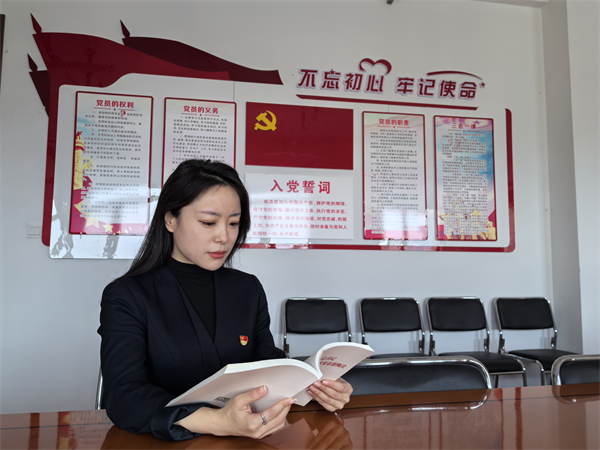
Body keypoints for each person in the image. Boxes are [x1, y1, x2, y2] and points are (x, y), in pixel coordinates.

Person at [98, 159, 353, 441]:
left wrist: (316, 388)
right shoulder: (127, 295)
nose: (224, 237)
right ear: (170, 219)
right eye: (208, 222)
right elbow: (124, 395)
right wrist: (217, 421)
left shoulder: (247, 288)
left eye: (233, 223)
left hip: (247, 440)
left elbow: (268, 365)